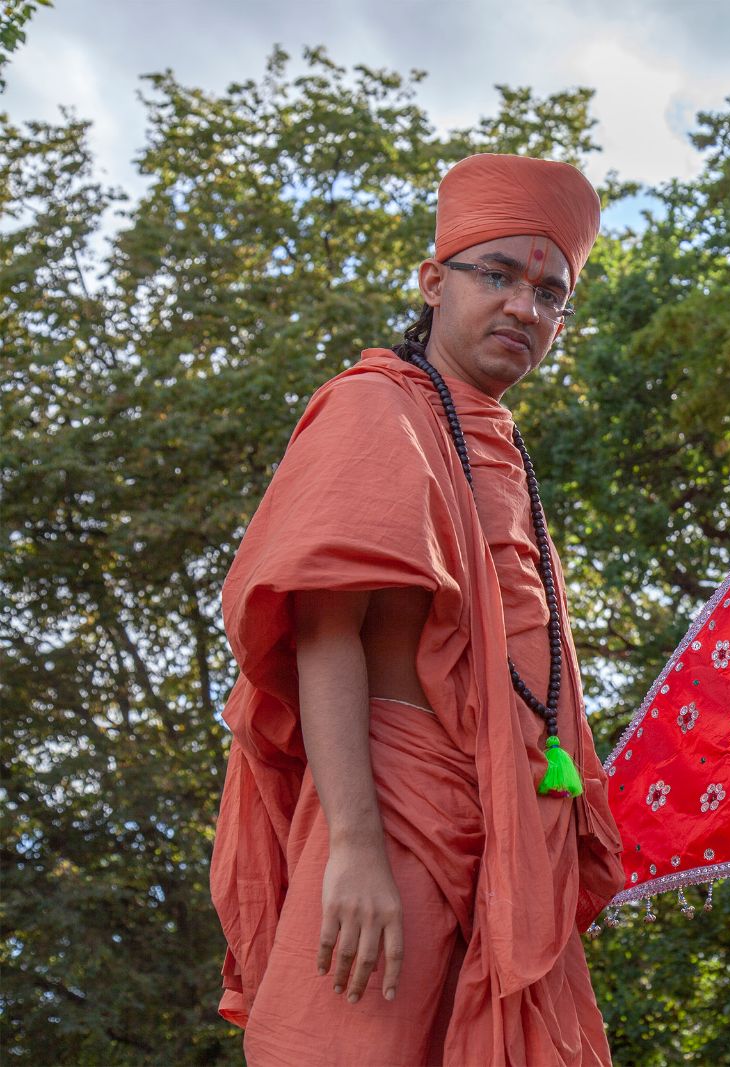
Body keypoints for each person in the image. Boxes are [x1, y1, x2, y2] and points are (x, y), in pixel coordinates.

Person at [210, 154, 623, 1065]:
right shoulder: (376, 407)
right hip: (394, 817)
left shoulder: (500, 447)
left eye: (550, 292)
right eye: (501, 274)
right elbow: (326, 635)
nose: (526, 306)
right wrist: (356, 849)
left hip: (508, 835)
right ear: (435, 282)